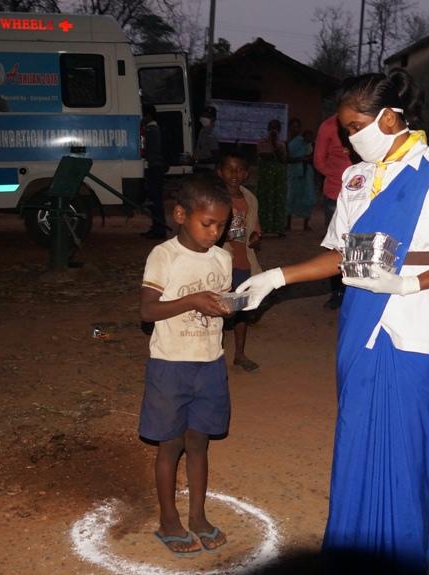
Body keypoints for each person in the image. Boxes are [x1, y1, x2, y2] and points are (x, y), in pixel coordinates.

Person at [236, 70, 429, 573]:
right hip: (361, 319)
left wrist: (411, 283)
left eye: (354, 127)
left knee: (410, 442)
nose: (348, 138)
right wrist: (277, 278)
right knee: (355, 434)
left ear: (389, 118)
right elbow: (339, 254)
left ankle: (404, 554)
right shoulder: (355, 178)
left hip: (418, 320)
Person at [138, 176, 233, 556]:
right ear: (181, 215)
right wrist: (192, 300)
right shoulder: (164, 255)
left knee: (199, 444)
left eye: (221, 226)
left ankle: (197, 516)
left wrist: (232, 304)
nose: (214, 232)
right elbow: (147, 310)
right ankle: (168, 519)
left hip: (209, 364)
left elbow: (221, 304)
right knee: (170, 445)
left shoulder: (223, 258)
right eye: (206, 223)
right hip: (170, 365)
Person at [217, 151, 264, 372]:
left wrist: (255, 237)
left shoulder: (250, 199)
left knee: (241, 310)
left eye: (239, 169)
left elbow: (255, 227)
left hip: (243, 262)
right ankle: (214, 356)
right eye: (229, 168)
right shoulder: (215, 199)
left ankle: (240, 354)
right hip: (221, 263)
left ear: (246, 174)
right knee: (219, 310)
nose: (234, 173)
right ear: (220, 172)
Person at [314, 113, 354, 310]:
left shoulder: (367, 121)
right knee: (337, 245)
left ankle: (355, 290)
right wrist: (339, 177)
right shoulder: (328, 126)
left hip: (364, 195)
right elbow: (319, 161)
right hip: (335, 194)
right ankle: (337, 291)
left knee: (360, 242)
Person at [141, 104, 169, 239]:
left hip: (154, 167)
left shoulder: (152, 130)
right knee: (155, 199)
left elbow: (150, 151)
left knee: (156, 200)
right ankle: (157, 227)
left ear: (149, 116)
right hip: (156, 166)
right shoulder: (153, 129)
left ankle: (159, 229)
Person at [256, 119, 288, 236]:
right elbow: (264, 156)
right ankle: (263, 227)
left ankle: (278, 228)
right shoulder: (262, 142)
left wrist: (275, 145)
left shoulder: (281, 144)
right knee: (264, 200)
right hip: (266, 177)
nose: (274, 130)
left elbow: (283, 159)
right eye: (272, 127)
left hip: (278, 177)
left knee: (278, 200)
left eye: (276, 127)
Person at [286, 119, 316, 232]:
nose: (296, 129)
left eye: (298, 127)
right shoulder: (289, 142)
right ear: (289, 128)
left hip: (306, 173)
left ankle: (305, 224)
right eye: (293, 127)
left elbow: (312, 157)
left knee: (307, 197)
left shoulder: (305, 142)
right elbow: (287, 159)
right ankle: (287, 224)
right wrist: (300, 159)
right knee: (290, 197)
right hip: (293, 172)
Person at [194, 106, 219, 173]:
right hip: (199, 167)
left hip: (207, 170)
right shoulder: (203, 130)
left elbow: (216, 158)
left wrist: (197, 161)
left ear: (213, 119)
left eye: (207, 116)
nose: (204, 117)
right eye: (204, 115)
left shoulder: (211, 134)